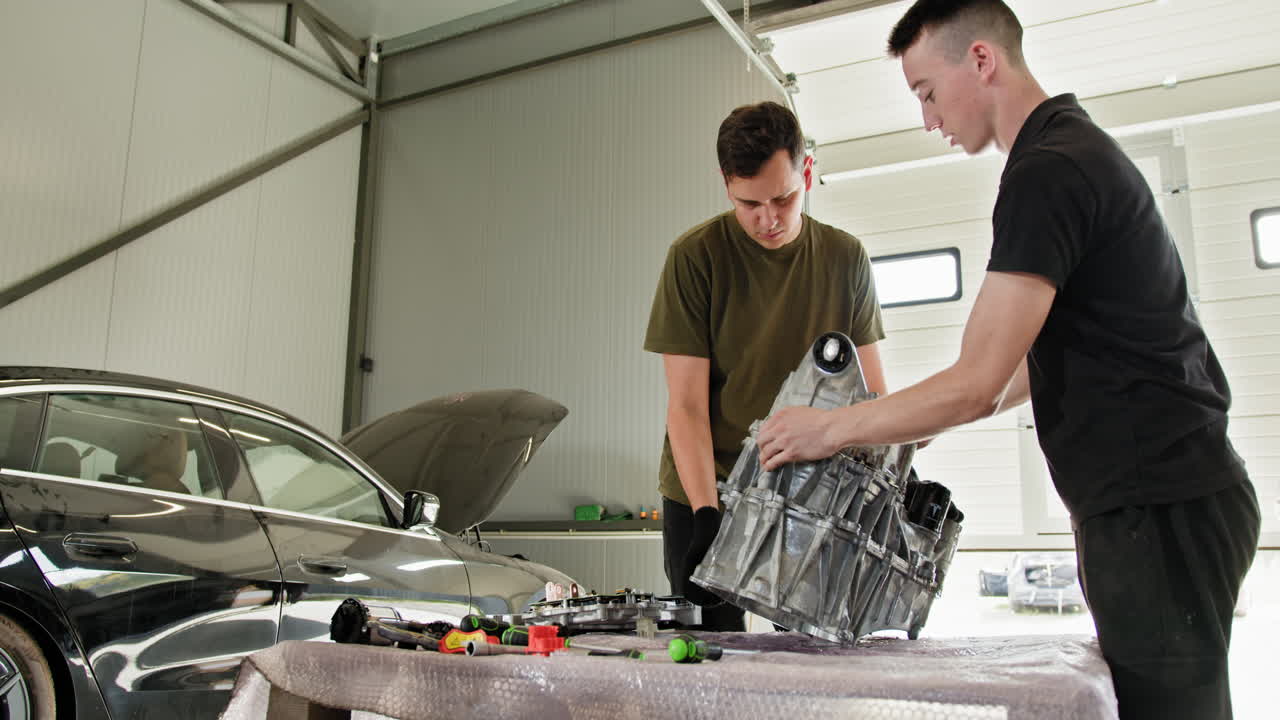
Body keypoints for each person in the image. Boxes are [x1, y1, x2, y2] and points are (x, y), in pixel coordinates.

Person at [755, 1, 1259, 717]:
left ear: (982, 61)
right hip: (1162, 503)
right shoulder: (1072, 152)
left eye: (927, 92)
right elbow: (1031, 363)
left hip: (1159, 506)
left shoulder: (1048, 172)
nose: (929, 119)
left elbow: (977, 380)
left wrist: (830, 428)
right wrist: (909, 425)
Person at [644, 101, 887, 631]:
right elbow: (686, 406)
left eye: (783, 198)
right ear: (725, 184)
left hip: (809, 488)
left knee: (813, 659)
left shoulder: (845, 259)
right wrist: (708, 512)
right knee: (706, 658)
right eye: (748, 203)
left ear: (807, 171)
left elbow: (872, 400)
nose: (768, 219)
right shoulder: (695, 258)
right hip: (710, 481)